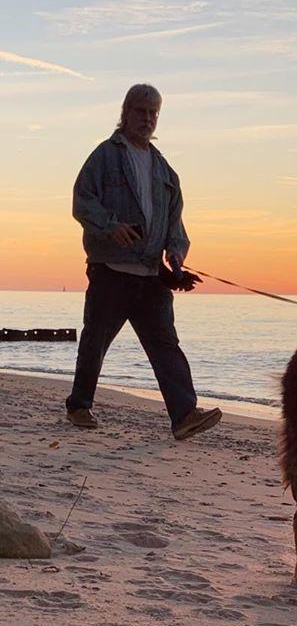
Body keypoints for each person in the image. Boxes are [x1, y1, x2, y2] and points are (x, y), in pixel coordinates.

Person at [66, 83, 221, 441]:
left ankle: (184, 415)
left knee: (166, 344)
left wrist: (177, 253)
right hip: (111, 271)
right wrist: (110, 227)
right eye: (140, 111)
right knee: (96, 340)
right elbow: (82, 202)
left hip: (152, 275)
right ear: (126, 113)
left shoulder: (165, 170)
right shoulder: (104, 156)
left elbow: (175, 223)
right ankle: (79, 405)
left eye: (153, 113)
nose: (147, 119)